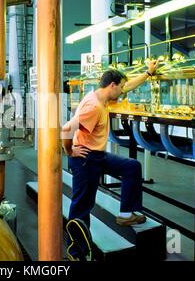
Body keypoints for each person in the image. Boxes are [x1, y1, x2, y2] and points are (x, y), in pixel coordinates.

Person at [62, 61, 158, 229]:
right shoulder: (94, 106)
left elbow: (128, 86)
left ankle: (126, 215)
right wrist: (70, 152)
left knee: (132, 167)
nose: (123, 91)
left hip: (97, 156)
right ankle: (77, 251)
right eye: (120, 87)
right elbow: (67, 128)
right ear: (112, 85)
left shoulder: (102, 97)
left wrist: (148, 73)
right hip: (85, 158)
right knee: (82, 208)